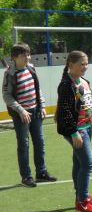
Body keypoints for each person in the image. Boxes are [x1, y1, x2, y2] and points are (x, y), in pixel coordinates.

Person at [56, 51, 92, 212]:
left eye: (86, 63)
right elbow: (65, 112)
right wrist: (74, 132)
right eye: (81, 64)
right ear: (71, 65)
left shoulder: (84, 81)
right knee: (88, 164)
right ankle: (82, 203)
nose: (85, 67)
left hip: (87, 127)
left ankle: (80, 196)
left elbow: (83, 104)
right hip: (77, 130)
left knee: (79, 163)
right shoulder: (66, 85)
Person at [2, 43, 56, 188]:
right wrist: (21, 110)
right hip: (21, 115)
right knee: (24, 145)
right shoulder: (9, 73)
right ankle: (26, 177)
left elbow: (38, 89)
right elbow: (6, 96)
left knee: (40, 142)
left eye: (28, 54)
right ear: (14, 57)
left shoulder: (31, 68)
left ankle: (41, 173)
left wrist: (42, 105)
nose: (28, 57)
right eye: (23, 56)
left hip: (36, 111)